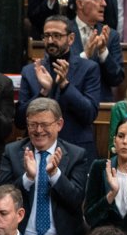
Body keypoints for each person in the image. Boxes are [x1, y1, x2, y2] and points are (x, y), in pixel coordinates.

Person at [0, 98, 90, 235]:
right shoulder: (12, 152)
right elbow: (2, 197)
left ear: (59, 124)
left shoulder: (76, 155)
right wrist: (28, 178)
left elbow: (76, 200)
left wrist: (55, 175)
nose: (38, 130)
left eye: (45, 125)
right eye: (33, 125)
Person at [15, 18, 102, 162]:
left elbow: (89, 114)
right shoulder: (30, 71)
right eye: (47, 36)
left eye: (57, 36)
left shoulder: (88, 68)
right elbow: (19, 120)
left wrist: (65, 85)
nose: (50, 40)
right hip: (38, 150)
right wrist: (43, 92)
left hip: (76, 150)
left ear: (71, 38)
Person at [69, 0, 126, 100]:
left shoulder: (111, 35)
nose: (104, 3)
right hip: (69, 101)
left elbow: (117, 79)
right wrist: (84, 56)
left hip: (100, 104)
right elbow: (61, 72)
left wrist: (103, 51)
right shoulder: (65, 32)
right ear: (80, 3)